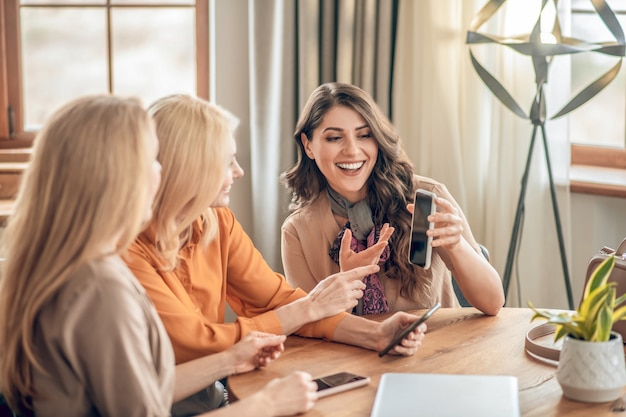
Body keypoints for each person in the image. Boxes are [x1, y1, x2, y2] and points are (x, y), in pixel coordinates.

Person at [0, 95, 318, 417]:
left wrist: (230, 359)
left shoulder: (78, 264)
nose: (162, 173)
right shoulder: (100, 286)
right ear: (117, 177)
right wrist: (267, 405)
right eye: (153, 158)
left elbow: (142, 390)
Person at [122, 94, 426, 370]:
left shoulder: (218, 222)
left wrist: (375, 334)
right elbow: (195, 344)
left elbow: (277, 301)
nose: (239, 171)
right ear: (191, 168)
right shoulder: (127, 250)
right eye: (227, 162)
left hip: (213, 386)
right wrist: (308, 307)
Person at [280, 82, 504, 316]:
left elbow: (493, 303)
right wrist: (347, 282)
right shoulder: (297, 232)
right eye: (335, 138)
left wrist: (457, 246)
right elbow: (310, 329)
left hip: (439, 346)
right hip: (357, 351)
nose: (352, 150)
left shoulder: (425, 198)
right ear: (308, 146)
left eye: (364, 135)